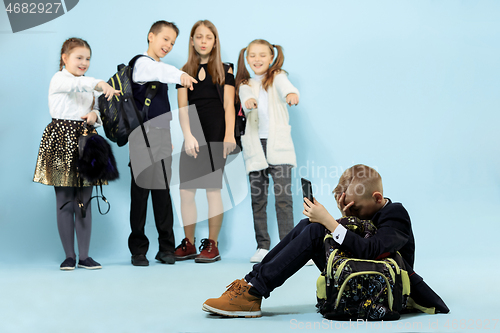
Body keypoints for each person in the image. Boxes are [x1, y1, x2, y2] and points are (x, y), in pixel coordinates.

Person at [202, 164, 449, 318]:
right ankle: (250, 283)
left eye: (356, 209)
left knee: (316, 231)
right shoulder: (368, 211)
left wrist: (332, 223)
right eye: (347, 208)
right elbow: (359, 239)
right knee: (310, 226)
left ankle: (255, 292)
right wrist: (339, 220)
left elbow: (370, 250)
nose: (352, 214)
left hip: (387, 286)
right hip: (363, 274)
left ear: (377, 198)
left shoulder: (396, 214)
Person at [33, 37, 120, 270]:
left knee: (85, 200)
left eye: (88, 58)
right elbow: (79, 86)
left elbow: (94, 108)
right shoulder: (60, 78)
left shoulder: (86, 83)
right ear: (65, 58)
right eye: (79, 57)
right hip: (61, 140)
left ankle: (85, 256)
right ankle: (69, 256)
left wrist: (94, 115)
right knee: (64, 201)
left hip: (87, 141)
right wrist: (101, 83)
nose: (84, 62)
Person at [128, 20, 197, 267]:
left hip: (161, 136)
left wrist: (167, 138)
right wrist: (181, 75)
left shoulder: (156, 67)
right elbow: (161, 72)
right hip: (140, 137)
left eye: (172, 42)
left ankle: (166, 248)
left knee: (162, 193)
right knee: (140, 194)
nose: (168, 45)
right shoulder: (141, 64)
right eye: (165, 39)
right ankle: (138, 250)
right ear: (151, 36)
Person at [173, 20, 236, 263]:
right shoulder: (184, 71)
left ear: (215, 41)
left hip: (216, 134)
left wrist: (229, 135)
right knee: (186, 192)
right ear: (192, 41)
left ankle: (212, 245)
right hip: (193, 136)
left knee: (212, 191)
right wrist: (188, 136)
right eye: (198, 37)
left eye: (208, 37)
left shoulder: (225, 69)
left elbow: (229, 105)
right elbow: (182, 107)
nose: (203, 41)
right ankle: (188, 244)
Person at [235, 39, 300, 263]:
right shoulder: (245, 83)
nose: (257, 59)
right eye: (252, 55)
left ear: (271, 58)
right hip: (255, 146)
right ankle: (263, 246)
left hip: (278, 145)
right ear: (247, 58)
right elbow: (245, 98)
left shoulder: (278, 78)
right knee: (258, 199)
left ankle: (289, 245)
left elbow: (286, 89)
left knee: (284, 198)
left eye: (262, 55)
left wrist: (292, 94)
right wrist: (250, 101)